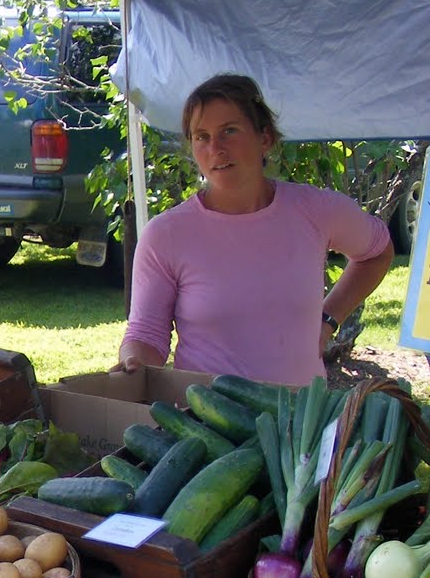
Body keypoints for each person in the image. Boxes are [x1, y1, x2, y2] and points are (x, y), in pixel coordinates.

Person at [116, 73, 394, 386]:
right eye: (201, 136)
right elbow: (147, 334)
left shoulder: (316, 210)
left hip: (298, 427)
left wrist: (328, 320)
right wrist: (133, 360)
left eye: (229, 131)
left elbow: (377, 252)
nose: (216, 148)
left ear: (265, 137)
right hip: (204, 427)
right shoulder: (165, 234)